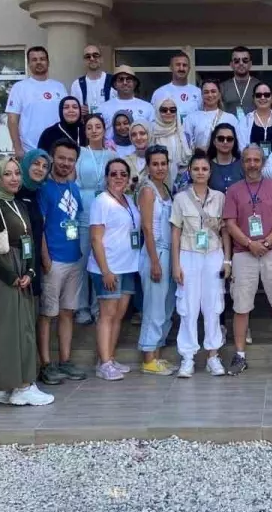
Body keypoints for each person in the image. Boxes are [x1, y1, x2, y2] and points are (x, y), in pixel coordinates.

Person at [0, 155, 52, 406]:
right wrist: (11, 276)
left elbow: (29, 241)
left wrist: (30, 272)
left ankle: (5, 385)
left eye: (17, 173)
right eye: (7, 174)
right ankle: (18, 385)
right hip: (1, 277)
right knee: (6, 331)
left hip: (20, 273)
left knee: (21, 328)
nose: (14, 178)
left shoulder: (17, 204)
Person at [223, 145, 272, 375]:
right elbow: (230, 223)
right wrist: (250, 243)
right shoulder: (233, 190)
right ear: (242, 163)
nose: (252, 164)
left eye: (256, 160)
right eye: (248, 160)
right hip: (243, 253)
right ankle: (239, 356)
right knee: (241, 307)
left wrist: (265, 243)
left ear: (263, 163)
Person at [171, 153, 231, 378]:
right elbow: (175, 232)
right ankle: (187, 357)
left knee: (213, 305)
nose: (200, 172)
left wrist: (227, 260)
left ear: (210, 172)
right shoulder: (180, 199)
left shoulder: (219, 197)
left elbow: (225, 230)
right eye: (196, 169)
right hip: (188, 254)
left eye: (204, 169)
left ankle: (213, 355)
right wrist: (175, 264)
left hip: (214, 254)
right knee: (188, 306)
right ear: (190, 171)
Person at [86, 158, 142, 381]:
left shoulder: (128, 200)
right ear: (106, 177)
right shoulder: (101, 202)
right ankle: (104, 364)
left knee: (118, 315)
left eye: (123, 174)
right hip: (108, 268)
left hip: (128, 266)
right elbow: (95, 239)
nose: (118, 177)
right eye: (113, 173)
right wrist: (106, 271)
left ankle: (108, 357)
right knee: (107, 315)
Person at [37, 139, 87, 386]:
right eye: (62, 158)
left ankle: (65, 360)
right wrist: (45, 257)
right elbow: (39, 226)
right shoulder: (44, 189)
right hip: (53, 260)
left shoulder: (74, 188)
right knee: (47, 314)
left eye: (71, 159)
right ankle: (46, 364)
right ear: (52, 158)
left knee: (68, 312)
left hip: (74, 258)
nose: (66, 163)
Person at [137, 146, 177, 375]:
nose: (160, 168)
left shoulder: (166, 189)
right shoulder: (148, 191)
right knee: (154, 307)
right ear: (148, 166)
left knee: (166, 306)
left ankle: (157, 355)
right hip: (156, 252)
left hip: (169, 253)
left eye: (163, 163)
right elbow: (147, 228)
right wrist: (154, 261)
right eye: (155, 164)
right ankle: (148, 358)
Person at [75, 113, 112, 325]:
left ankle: (98, 306)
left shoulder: (111, 155)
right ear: (85, 131)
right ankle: (81, 307)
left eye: (98, 126)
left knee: (101, 260)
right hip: (83, 209)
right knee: (82, 261)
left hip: (105, 211)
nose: (94, 130)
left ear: (104, 130)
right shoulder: (79, 153)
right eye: (90, 127)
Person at [6, 46, 66, 156]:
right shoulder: (19, 88)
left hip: (57, 151)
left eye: (42, 59)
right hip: (29, 151)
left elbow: (67, 117)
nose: (39, 62)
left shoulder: (59, 87)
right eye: (34, 60)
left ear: (48, 62)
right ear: (29, 64)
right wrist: (18, 149)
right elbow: (12, 120)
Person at [15, 149, 50, 305]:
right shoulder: (14, 192)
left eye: (45, 166)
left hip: (32, 260)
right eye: (36, 163)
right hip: (15, 262)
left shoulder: (37, 193)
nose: (40, 169)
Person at [99, 66, 153, 140]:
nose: (125, 83)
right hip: (111, 147)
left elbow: (152, 134)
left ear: (134, 83)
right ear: (115, 84)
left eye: (128, 79)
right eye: (121, 79)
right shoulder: (103, 108)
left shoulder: (147, 107)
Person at [149, 97, 192, 190]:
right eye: (164, 110)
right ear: (157, 111)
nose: (168, 112)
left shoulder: (183, 134)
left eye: (172, 110)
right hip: (157, 184)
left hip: (180, 184)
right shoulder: (150, 132)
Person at [237, 81, 272, 157]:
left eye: (267, 95)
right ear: (253, 98)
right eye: (258, 95)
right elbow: (243, 149)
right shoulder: (245, 121)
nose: (262, 98)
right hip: (252, 163)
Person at [184, 79, 238, 151]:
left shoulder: (230, 118)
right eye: (206, 92)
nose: (210, 95)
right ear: (202, 95)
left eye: (213, 91)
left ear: (219, 94)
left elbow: (236, 144)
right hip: (199, 157)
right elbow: (186, 144)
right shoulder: (191, 118)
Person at [152, 51, 201, 120]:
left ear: (189, 68)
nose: (181, 68)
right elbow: (154, 119)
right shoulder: (159, 92)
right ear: (171, 68)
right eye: (178, 65)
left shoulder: (198, 92)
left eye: (184, 65)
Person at [69, 42, 113, 114]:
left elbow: (120, 106)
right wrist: (78, 110)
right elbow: (73, 110)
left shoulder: (113, 81)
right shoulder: (76, 84)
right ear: (84, 61)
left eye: (95, 55)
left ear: (101, 59)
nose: (92, 59)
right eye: (88, 56)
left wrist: (91, 110)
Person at [221, 45, 257, 117]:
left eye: (245, 60)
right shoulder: (222, 87)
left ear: (250, 64)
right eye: (236, 61)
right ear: (231, 65)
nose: (241, 63)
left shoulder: (260, 86)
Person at [206, 123, 244, 193]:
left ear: (234, 142)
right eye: (221, 138)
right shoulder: (206, 166)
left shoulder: (243, 165)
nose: (225, 142)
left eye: (229, 139)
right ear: (214, 141)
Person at [123, 120, 153, 193]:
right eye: (134, 135)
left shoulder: (158, 159)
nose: (138, 138)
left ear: (149, 134)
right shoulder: (125, 161)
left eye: (142, 133)